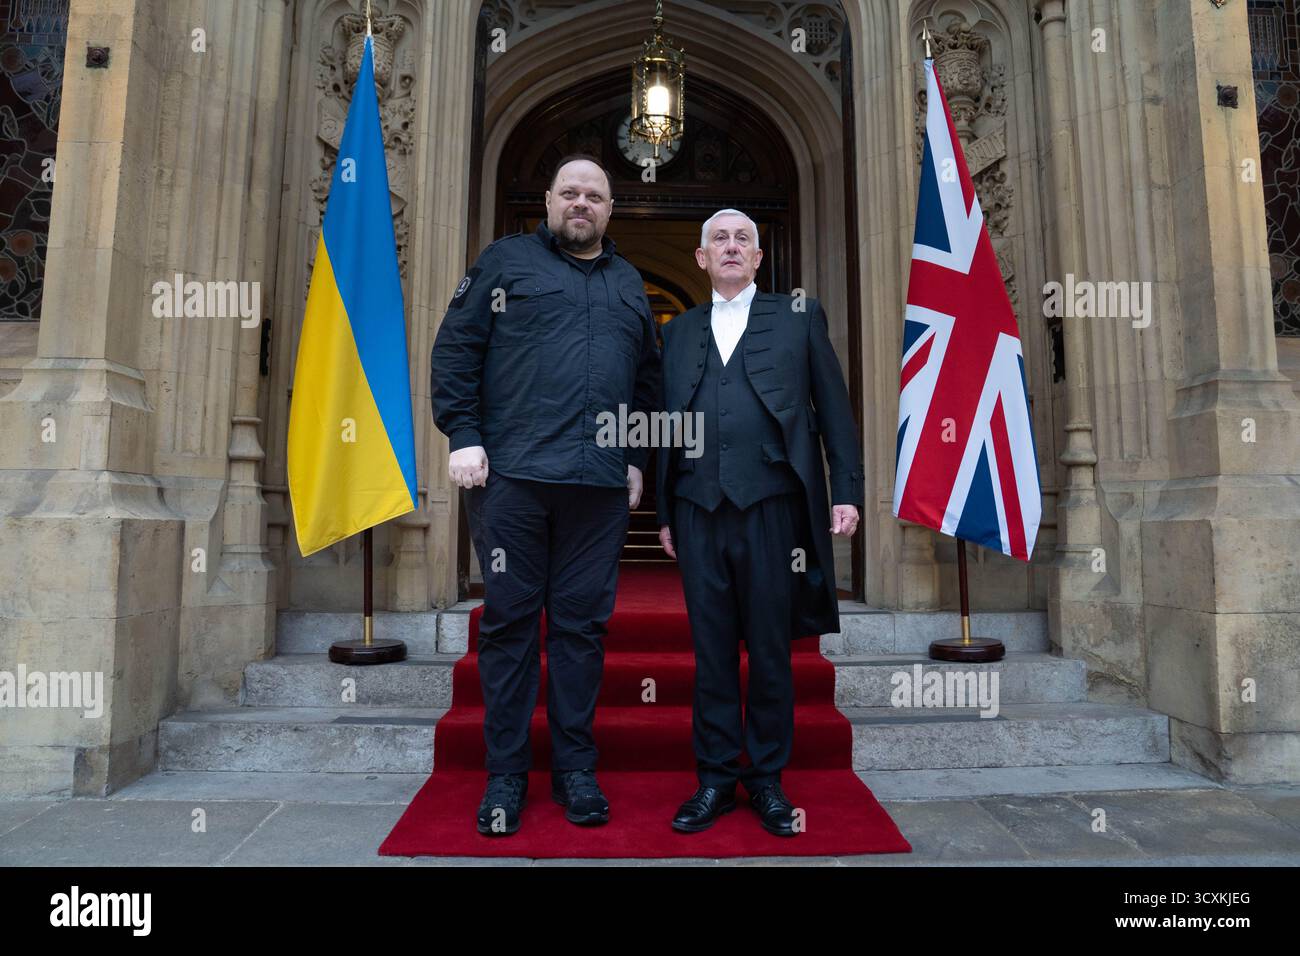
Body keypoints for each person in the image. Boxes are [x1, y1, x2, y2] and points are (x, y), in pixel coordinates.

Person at [430, 155, 661, 835]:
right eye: (570, 193)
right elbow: (455, 351)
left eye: (595, 195)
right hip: (514, 481)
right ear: (550, 201)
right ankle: (505, 776)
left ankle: (574, 771)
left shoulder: (627, 283)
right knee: (508, 627)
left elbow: (646, 380)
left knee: (582, 631)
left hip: (597, 487)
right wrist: (463, 434)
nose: (581, 204)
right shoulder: (504, 264)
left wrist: (636, 457)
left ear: (610, 209)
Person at [656, 209, 863, 836]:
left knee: (772, 652)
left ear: (758, 257)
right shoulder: (678, 331)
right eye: (718, 238)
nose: (731, 246)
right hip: (697, 510)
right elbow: (665, 423)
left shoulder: (798, 316)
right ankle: (715, 779)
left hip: (775, 507)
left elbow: (833, 405)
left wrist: (846, 490)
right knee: (712, 653)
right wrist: (665, 511)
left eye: (742, 238)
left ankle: (767, 781)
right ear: (700, 257)